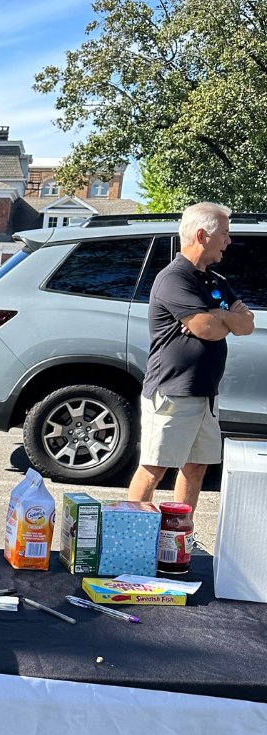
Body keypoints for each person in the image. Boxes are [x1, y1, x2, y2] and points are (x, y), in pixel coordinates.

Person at [128, 202, 255, 517]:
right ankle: (131, 534)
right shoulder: (174, 278)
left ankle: (178, 533)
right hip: (172, 393)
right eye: (224, 234)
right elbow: (207, 329)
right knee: (154, 468)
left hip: (204, 394)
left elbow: (247, 325)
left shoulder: (215, 280)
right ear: (202, 235)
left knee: (196, 467)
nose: (228, 241)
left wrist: (220, 315)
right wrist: (223, 318)